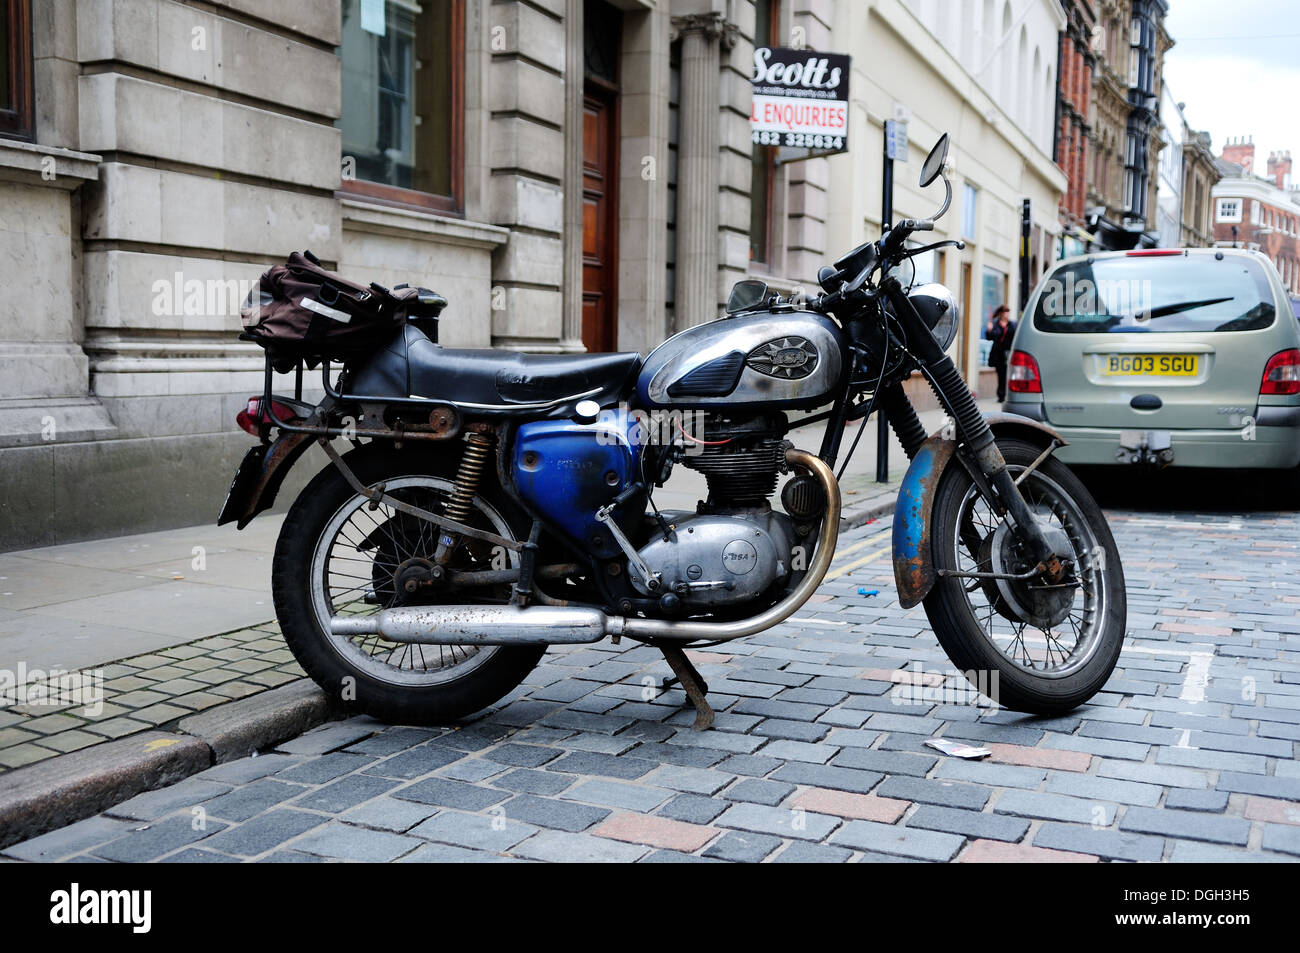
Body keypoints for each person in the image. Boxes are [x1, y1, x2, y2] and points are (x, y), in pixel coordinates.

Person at [984, 304, 1016, 402]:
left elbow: (1015, 337)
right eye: (1005, 312)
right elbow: (989, 338)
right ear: (1001, 314)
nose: (1007, 314)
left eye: (1008, 312)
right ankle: (1001, 395)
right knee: (1001, 374)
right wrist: (989, 330)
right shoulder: (995, 324)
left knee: (1009, 374)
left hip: (1009, 353)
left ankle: (1008, 394)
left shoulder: (1012, 324)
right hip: (998, 353)